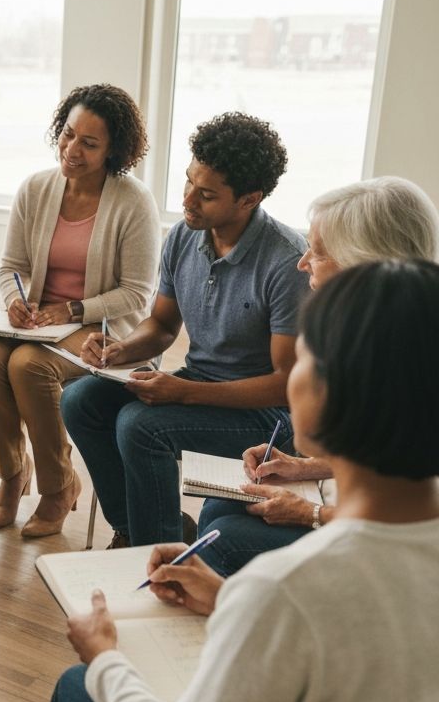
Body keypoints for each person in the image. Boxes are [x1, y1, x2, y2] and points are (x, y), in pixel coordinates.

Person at [50, 259, 439, 702]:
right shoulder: (281, 594)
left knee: (78, 691)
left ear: (329, 392)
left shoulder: (288, 589)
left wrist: (104, 660)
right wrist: (230, 598)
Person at [61, 112, 309, 547]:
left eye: (207, 194)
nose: (189, 200)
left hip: (266, 417)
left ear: (250, 199)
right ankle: (141, 530)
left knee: (141, 426)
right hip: (201, 386)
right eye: (189, 182)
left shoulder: (286, 261)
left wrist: (182, 393)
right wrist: (121, 349)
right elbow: (160, 325)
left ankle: (157, 552)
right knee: (80, 399)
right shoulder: (183, 237)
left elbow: (286, 386)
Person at [197, 175, 439, 574]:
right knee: (222, 503)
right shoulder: (368, 333)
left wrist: (313, 513)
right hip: (341, 502)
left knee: (224, 542)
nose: (302, 262)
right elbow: (394, 456)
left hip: (375, 541)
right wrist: (304, 467)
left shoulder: (406, 357)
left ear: (366, 262)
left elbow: (412, 517)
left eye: (319, 253)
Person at [0, 84, 161, 537]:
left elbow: (137, 293)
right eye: (68, 135)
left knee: (29, 366)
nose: (72, 149)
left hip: (101, 327)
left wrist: (72, 309)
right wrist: (15, 300)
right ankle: (13, 476)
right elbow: (10, 267)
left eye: (89, 143)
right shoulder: (35, 188)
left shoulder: (133, 202)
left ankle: (59, 486)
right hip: (37, 322)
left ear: (114, 151)